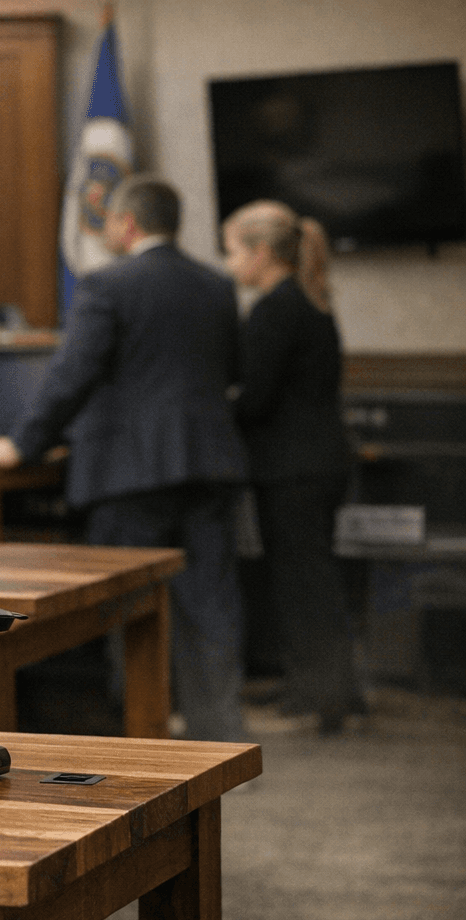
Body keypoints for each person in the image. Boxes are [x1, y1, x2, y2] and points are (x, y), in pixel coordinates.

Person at [0, 175, 249, 742]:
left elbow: (71, 377)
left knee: (128, 606)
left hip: (131, 474)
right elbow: (233, 371)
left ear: (126, 224)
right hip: (208, 464)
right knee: (211, 604)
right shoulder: (216, 285)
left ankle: (139, 737)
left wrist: (22, 442)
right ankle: (220, 739)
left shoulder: (107, 285)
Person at [223, 199, 364, 735]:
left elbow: (256, 398)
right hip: (322, 462)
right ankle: (323, 688)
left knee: (303, 583)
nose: (231, 264)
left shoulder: (274, 308)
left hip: (291, 467)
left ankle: (323, 698)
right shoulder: (312, 300)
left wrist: (221, 408)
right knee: (315, 578)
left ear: (261, 253)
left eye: (233, 251)